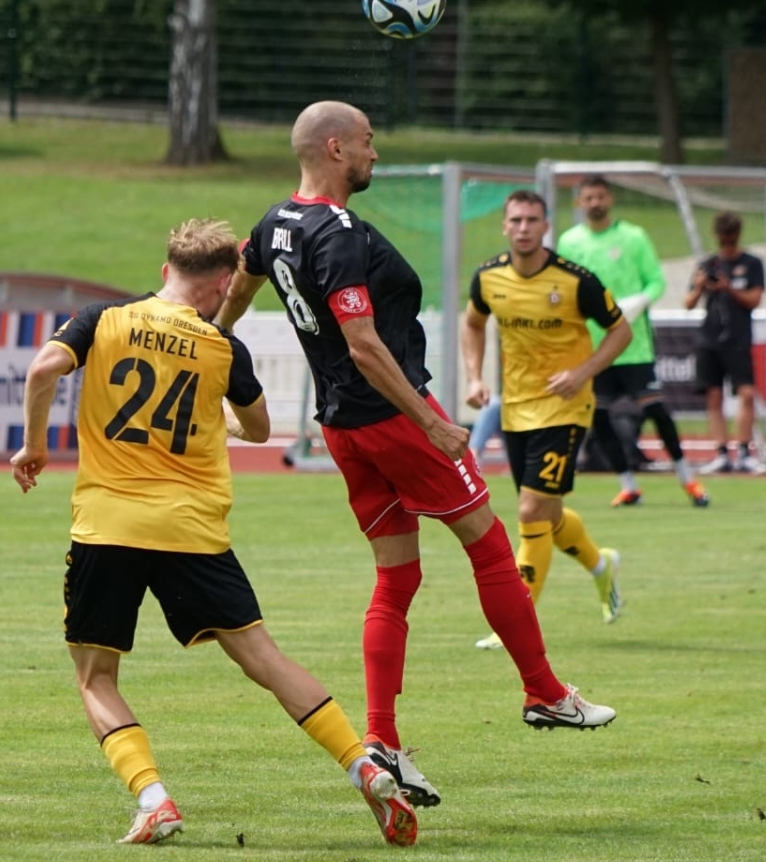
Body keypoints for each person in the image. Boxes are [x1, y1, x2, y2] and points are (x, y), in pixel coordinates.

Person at [220, 101, 616, 809]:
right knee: (490, 546)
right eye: (368, 142)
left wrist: (215, 338)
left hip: (341, 426)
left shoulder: (274, 222)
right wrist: (431, 424)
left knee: (396, 576)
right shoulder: (336, 233)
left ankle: (382, 737)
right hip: (393, 417)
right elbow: (365, 345)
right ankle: (545, 692)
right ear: (336, 148)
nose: (375, 153)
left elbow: (241, 281)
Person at [10, 217, 417, 848]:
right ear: (225, 283)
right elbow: (259, 429)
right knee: (266, 660)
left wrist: (34, 447)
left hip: (109, 525)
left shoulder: (102, 319)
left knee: (96, 678)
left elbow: (42, 370)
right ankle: (361, 764)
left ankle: (153, 799)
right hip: (192, 530)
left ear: (165, 270)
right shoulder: (223, 348)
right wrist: (220, 419)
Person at [462, 190, 632, 650]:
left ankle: (514, 624)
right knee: (547, 514)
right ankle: (601, 565)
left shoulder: (576, 281)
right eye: (516, 220)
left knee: (530, 510)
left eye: (532, 220)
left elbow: (620, 331)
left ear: (546, 226)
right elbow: (473, 323)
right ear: (504, 226)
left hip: (565, 409)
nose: (523, 228)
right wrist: (474, 376)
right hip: (517, 410)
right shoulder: (489, 277)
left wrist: (582, 373)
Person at [553, 174, 710, 509]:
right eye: (588, 198)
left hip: (634, 346)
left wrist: (638, 302)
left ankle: (688, 480)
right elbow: (564, 288)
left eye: (600, 196)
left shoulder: (633, 237)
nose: (595, 203)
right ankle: (628, 486)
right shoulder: (569, 242)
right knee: (599, 417)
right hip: (593, 349)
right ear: (579, 202)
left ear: (610, 199)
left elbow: (656, 281)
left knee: (656, 411)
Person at [684, 212, 766, 474]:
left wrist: (728, 288)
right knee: (713, 395)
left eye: (730, 236)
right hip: (709, 338)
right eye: (723, 236)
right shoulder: (707, 264)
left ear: (737, 235)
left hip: (738, 337)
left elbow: (754, 300)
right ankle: (721, 452)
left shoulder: (752, 263)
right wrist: (700, 286)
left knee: (746, 393)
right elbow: (688, 303)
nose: (727, 241)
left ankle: (743, 452)